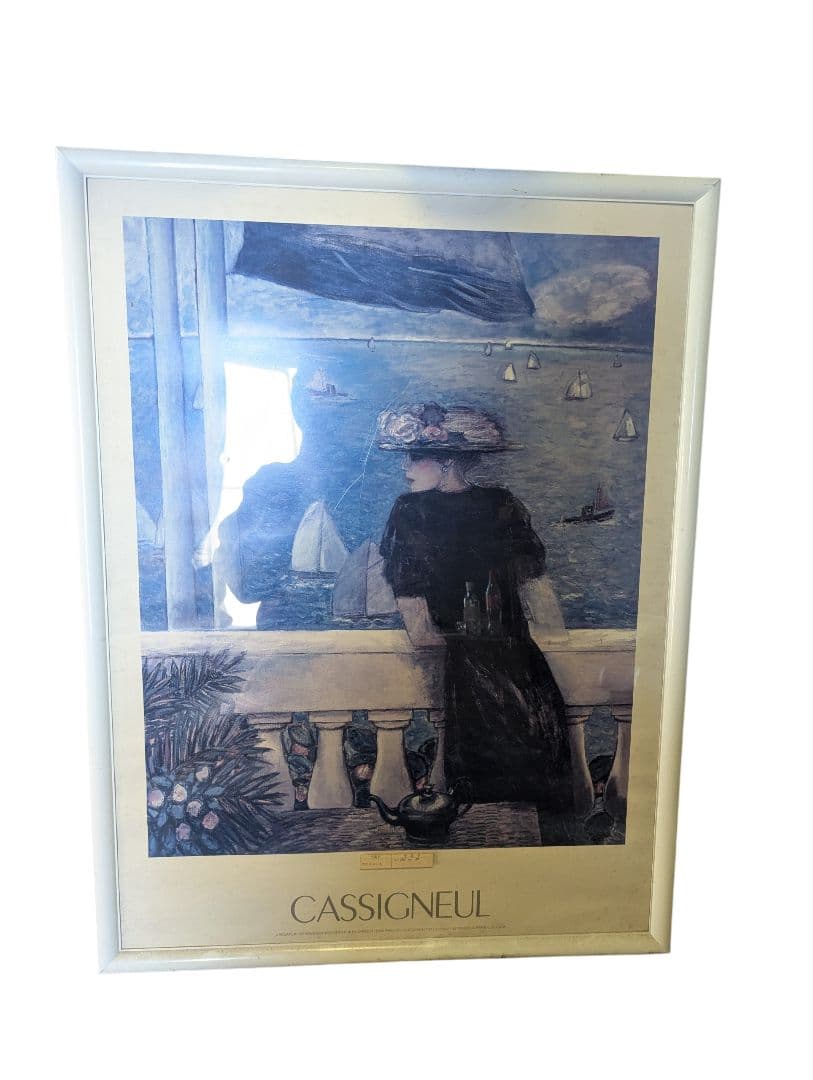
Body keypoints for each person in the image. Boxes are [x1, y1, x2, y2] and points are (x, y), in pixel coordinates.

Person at [377, 402, 573, 814]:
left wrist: (460, 638)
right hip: (524, 674)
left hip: (471, 679)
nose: (405, 467)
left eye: (415, 456)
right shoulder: (502, 504)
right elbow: (542, 602)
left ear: (448, 460)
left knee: (483, 807)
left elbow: (419, 629)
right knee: (534, 802)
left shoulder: (410, 513)